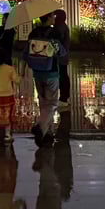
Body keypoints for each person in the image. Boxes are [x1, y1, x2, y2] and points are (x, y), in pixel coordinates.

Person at [23, 11, 66, 147]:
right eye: (52, 16)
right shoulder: (54, 34)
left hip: (37, 72)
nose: (54, 18)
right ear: (47, 17)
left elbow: (25, 53)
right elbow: (62, 51)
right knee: (52, 103)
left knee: (43, 103)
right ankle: (40, 126)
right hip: (51, 72)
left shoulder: (33, 33)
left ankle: (48, 134)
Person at [53, 10, 71, 111]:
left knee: (62, 76)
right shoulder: (63, 26)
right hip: (63, 55)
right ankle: (65, 97)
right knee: (63, 75)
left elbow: (56, 41)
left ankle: (63, 98)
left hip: (60, 56)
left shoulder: (59, 27)